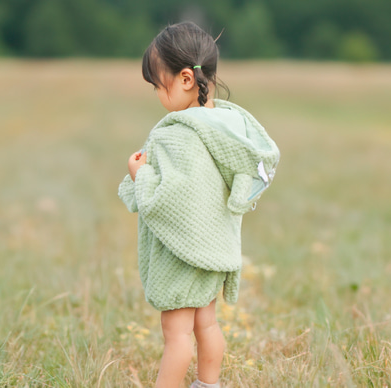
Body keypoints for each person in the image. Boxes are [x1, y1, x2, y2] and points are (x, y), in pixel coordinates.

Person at [118, 21, 280, 388]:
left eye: (159, 85)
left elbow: (169, 199)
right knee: (207, 325)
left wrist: (139, 174)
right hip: (213, 250)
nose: (158, 95)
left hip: (182, 254)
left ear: (187, 79)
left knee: (177, 337)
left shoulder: (178, 134)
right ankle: (209, 385)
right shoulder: (226, 125)